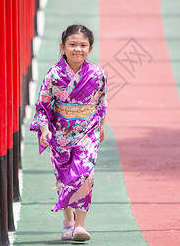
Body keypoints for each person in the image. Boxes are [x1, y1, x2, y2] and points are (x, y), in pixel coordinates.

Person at [30, 24, 107, 241]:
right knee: (63, 177)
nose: (78, 49)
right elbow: (43, 105)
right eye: (72, 44)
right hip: (60, 132)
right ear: (63, 47)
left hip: (88, 130)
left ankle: (80, 226)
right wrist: (44, 130)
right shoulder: (54, 74)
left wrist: (101, 125)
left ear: (90, 48)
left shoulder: (97, 74)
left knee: (85, 174)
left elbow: (101, 101)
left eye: (83, 45)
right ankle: (68, 220)